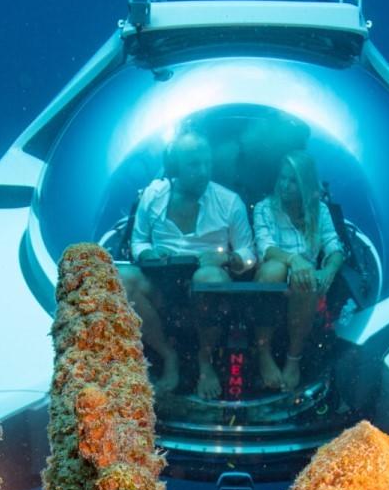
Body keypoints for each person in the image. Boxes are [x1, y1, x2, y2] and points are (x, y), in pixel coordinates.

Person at [118, 131, 257, 398]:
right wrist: (147, 254)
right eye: (194, 165)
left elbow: (249, 254)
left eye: (207, 163)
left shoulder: (229, 202)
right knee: (121, 279)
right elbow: (138, 243)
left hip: (208, 285)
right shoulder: (153, 195)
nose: (203, 171)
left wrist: (226, 258)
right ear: (175, 167)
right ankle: (167, 355)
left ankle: (205, 360)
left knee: (209, 280)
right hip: (161, 283)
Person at [251, 149, 346, 391]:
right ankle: (264, 353)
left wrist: (329, 271)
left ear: (305, 183)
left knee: (306, 280)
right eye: (282, 178)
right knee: (274, 271)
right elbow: (266, 248)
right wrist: (294, 260)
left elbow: (334, 247)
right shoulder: (264, 208)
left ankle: (293, 359)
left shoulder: (319, 210)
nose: (285, 185)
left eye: (293, 181)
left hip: (304, 282)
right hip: (274, 276)